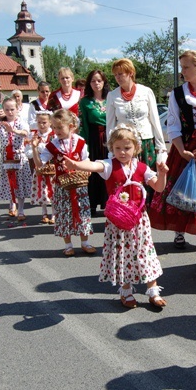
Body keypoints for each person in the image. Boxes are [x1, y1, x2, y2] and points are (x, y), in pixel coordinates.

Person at [64, 123, 169, 308]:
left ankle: (153, 290)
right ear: (111, 148)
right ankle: (126, 291)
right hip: (118, 221)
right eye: (117, 148)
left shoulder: (142, 168)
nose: (122, 152)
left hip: (138, 221)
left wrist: (162, 174)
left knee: (144, 253)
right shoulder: (109, 166)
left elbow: (159, 187)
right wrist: (76, 164)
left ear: (136, 148)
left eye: (127, 148)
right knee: (123, 255)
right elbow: (94, 165)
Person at [148, 50, 196, 248]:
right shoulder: (178, 93)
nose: (183, 71)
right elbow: (173, 125)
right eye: (182, 67)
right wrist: (182, 150)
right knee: (181, 188)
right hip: (186, 146)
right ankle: (179, 231)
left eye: (186, 67)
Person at [31, 109, 95, 256]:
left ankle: (85, 242)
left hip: (79, 185)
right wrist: (34, 148)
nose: (56, 130)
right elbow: (40, 164)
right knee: (64, 214)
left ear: (71, 126)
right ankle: (68, 245)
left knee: (82, 212)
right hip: (62, 185)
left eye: (60, 127)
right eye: (54, 127)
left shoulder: (80, 141)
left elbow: (86, 160)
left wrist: (88, 169)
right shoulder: (53, 144)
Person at [106, 58, 167, 170]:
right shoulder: (112, 95)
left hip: (146, 144)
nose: (117, 77)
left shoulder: (146, 91)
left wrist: (161, 147)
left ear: (131, 73)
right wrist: (111, 150)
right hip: (125, 145)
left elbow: (155, 120)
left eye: (121, 74)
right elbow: (110, 125)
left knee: (148, 178)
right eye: (115, 75)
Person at [0, 97, 31, 220]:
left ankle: (21, 208)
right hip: (6, 157)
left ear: (17, 109)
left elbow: (26, 133)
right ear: (3, 110)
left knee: (20, 183)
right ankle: (12, 203)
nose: (10, 112)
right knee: (10, 182)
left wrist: (13, 130)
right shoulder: (1, 123)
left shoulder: (20, 122)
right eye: (7, 109)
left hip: (19, 156)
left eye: (12, 109)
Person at [78, 70, 109, 211]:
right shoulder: (85, 102)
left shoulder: (112, 98)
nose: (96, 83)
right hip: (94, 138)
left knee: (108, 170)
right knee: (93, 171)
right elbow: (83, 124)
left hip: (110, 138)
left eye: (99, 80)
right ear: (89, 84)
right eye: (93, 81)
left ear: (104, 82)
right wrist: (84, 146)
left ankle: (108, 203)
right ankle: (91, 204)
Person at [29, 111, 55, 224]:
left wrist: (41, 147)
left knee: (53, 191)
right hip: (40, 167)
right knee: (42, 190)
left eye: (44, 122)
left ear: (50, 122)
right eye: (39, 122)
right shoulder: (35, 135)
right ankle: (44, 213)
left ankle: (54, 214)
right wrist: (33, 149)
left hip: (52, 168)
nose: (42, 125)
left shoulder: (53, 135)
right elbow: (29, 151)